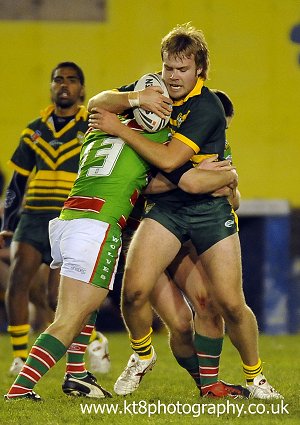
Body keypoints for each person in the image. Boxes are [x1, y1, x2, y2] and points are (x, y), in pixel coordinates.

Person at [4, 72, 238, 400]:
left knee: (86, 304)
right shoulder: (153, 141)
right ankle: (21, 389)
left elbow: (101, 101)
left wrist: (136, 100)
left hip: (69, 219)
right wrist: (223, 175)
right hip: (98, 225)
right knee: (69, 317)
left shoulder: (100, 125)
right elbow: (179, 180)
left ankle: (77, 376)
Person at [87, 23, 283, 400]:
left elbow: (170, 158)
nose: (172, 77)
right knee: (133, 291)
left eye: (182, 69)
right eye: (168, 68)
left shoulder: (207, 106)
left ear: (199, 71)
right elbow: (97, 104)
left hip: (209, 212)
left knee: (227, 302)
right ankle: (142, 356)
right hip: (167, 210)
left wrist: (120, 128)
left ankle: (255, 377)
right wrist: (133, 100)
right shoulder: (153, 90)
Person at [0, 62, 109, 377]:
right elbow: (17, 182)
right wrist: (7, 222)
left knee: (55, 297)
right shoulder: (34, 129)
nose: (64, 85)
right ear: (50, 86)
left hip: (69, 218)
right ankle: (20, 356)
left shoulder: (92, 126)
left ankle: (95, 340)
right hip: (32, 217)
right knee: (17, 282)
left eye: (72, 80)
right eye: (58, 79)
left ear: (82, 89)